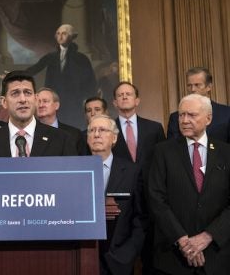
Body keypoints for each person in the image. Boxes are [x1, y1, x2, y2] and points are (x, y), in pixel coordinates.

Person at [148, 94, 230, 275]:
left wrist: (208, 237)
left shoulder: (226, 152)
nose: (184, 120)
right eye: (181, 115)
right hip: (174, 257)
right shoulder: (162, 152)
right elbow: (156, 199)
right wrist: (184, 242)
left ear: (208, 118)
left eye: (191, 115)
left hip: (218, 255)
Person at [111, 81, 165, 275]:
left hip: (150, 196)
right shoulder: (108, 130)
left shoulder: (154, 128)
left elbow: (162, 162)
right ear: (115, 102)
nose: (124, 97)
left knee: (151, 251)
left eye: (129, 94)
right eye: (120, 95)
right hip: (121, 199)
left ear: (137, 100)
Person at [87, 115, 144, 275]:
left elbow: (141, 218)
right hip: (83, 257)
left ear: (114, 138)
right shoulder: (76, 170)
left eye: (102, 130)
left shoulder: (132, 171)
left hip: (119, 260)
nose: (96, 134)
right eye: (92, 130)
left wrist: (128, 254)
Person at [0, 70, 77, 157]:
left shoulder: (62, 140)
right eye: (15, 93)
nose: (22, 99)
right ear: (4, 102)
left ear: (36, 99)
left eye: (27, 93)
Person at [26, 24, 96, 129]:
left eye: (64, 33)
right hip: (54, 102)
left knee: (72, 130)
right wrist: (14, 76)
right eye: (58, 33)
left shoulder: (81, 59)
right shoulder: (51, 57)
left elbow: (90, 81)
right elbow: (35, 68)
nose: (60, 36)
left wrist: (87, 100)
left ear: (72, 37)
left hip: (74, 102)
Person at [167, 67, 230, 141]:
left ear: (209, 87)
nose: (193, 89)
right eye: (189, 85)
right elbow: (171, 148)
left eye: (197, 85)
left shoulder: (227, 113)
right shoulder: (175, 117)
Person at [36, 87, 86, 155]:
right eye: (38, 102)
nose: (41, 105)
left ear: (56, 105)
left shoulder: (74, 134)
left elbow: (83, 163)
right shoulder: (30, 134)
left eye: (45, 101)